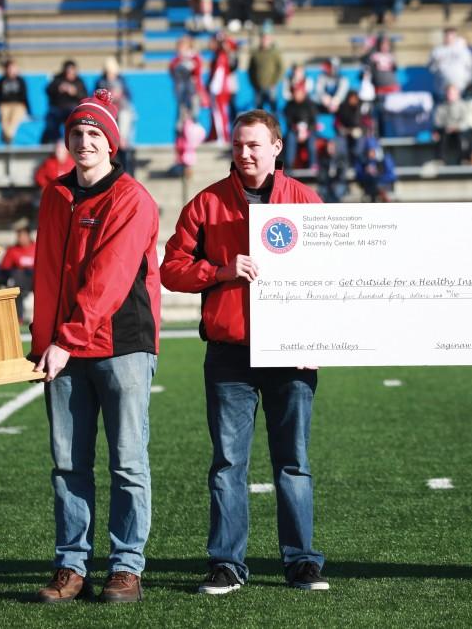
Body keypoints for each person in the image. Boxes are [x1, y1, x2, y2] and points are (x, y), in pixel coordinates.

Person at [160, 109, 329, 595]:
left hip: (291, 353)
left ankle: (301, 562)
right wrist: (219, 270)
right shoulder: (207, 203)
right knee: (228, 463)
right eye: (237, 145)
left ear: (277, 147)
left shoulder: (304, 200)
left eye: (254, 145)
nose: (244, 153)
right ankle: (227, 564)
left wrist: (319, 337)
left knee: (292, 461)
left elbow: (333, 279)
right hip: (229, 354)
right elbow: (171, 268)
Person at [31, 89, 161, 604]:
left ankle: (126, 566)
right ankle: (72, 565)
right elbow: (45, 272)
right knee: (68, 462)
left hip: (121, 345)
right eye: (77, 134)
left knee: (127, 461)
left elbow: (107, 282)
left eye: (94, 135)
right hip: (63, 348)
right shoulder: (55, 195)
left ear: (112, 143)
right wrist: (44, 342)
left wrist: (64, 340)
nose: (84, 142)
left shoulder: (132, 198)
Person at [41, 60, 86, 144]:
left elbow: (85, 97)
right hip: (57, 108)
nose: (70, 73)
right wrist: (59, 88)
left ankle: (74, 141)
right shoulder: (58, 79)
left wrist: (75, 92)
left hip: (73, 109)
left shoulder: (79, 81)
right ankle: (55, 143)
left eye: (72, 71)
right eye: (68, 71)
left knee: (76, 119)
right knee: (51, 121)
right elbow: (48, 90)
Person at [0, 221, 34, 323]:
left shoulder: (36, 247)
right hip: (20, 282)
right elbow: (4, 269)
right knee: (17, 286)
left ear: (28, 235)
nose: (20, 238)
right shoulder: (13, 250)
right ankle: (19, 318)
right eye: (19, 236)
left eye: (23, 235)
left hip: (36, 279)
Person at [248, 28, 284, 113]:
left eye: (266, 38)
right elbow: (251, 69)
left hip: (271, 87)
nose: (264, 40)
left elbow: (281, 68)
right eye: (263, 38)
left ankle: (274, 126)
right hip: (258, 87)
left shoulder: (275, 53)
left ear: (270, 39)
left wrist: (274, 82)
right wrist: (254, 83)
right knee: (258, 112)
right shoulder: (256, 53)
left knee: (273, 111)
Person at [0, 58, 29, 145]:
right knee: (4, 117)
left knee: (15, 117)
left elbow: (24, 97)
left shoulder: (21, 81)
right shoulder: (0, 81)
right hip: (4, 105)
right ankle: (8, 136)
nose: (11, 70)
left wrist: (29, 111)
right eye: (9, 68)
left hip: (18, 105)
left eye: (13, 68)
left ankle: (7, 135)